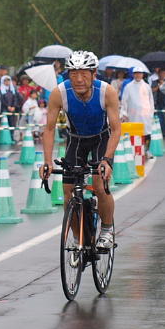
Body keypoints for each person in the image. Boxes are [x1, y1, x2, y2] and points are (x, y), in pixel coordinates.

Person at [41, 50, 121, 251]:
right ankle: (79, 239)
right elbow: (49, 129)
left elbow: (116, 129)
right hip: (76, 140)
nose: (78, 79)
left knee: (99, 186)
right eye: (73, 74)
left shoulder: (107, 92)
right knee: (68, 192)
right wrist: (47, 161)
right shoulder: (59, 93)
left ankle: (107, 230)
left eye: (84, 74)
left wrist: (107, 160)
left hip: (101, 139)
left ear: (94, 74)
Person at [120, 69, 154, 149]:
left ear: (142, 75)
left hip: (145, 115)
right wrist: (124, 113)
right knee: (133, 133)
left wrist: (151, 113)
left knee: (146, 132)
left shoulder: (147, 86)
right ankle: (134, 150)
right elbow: (124, 101)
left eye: (139, 73)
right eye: (136, 73)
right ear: (133, 75)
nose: (138, 75)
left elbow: (151, 101)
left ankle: (147, 150)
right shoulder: (128, 87)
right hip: (132, 115)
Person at [0, 75, 23, 142]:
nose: (7, 82)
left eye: (8, 80)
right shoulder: (1, 90)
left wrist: (13, 106)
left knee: (12, 123)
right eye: (5, 80)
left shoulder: (13, 90)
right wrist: (7, 106)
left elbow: (15, 99)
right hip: (4, 108)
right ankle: (5, 138)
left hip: (12, 109)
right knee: (5, 122)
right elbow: (2, 100)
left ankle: (12, 136)